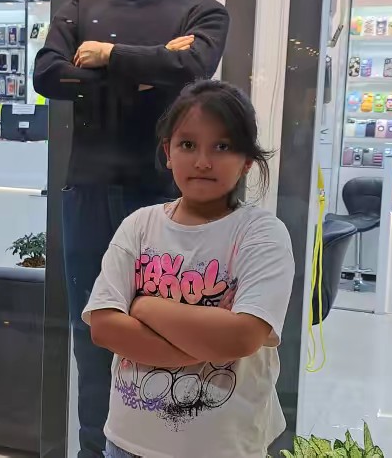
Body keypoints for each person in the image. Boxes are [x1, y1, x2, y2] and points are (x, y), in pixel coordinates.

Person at [33, 0, 229, 457]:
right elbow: (47, 75)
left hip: (171, 203)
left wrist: (108, 55)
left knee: (168, 337)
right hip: (88, 195)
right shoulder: (79, 10)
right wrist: (150, 64)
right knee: (92, 338)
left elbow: (193, 68)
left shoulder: (203, 11)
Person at [83, 80, 295, 458]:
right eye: (188, 145)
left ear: (247, 160)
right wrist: (204, 343)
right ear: (168, 151)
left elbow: (243, 337)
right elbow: (103, 327)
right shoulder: (140, 225)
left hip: (221, 449)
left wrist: (144, 306)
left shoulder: (261, 234)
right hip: (127, 443)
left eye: (222, 146)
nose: (202, 162)